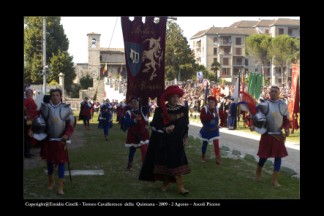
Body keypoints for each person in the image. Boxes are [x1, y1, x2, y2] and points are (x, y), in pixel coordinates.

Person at [139, 85, 190, 195]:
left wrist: (185, 137)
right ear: (168, 98)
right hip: (164, 140)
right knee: (165, 162)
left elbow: (185, 125)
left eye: (177, 96)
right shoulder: (160, 110)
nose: (175, 99)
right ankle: (165, 182)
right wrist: (165, 128)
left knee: (177, 162)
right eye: (172, 97)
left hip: (177, 141)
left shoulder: (183, 110)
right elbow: (154, 125)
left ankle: (180, 186)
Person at [250, 86, 290, 187]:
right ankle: (258, 171)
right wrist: (252, 125)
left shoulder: (283, 104)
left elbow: (286, 120)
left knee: (278, 157)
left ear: (279, 93)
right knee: (263, 156)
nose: (272, 93)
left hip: (278, 136)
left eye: (275, 91)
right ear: (269, 92)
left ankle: (274, 180)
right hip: (267, 134)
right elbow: (255, 117)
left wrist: (286, 128)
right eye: (271, 91)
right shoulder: (263, 104)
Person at [37, 89, 75, 195]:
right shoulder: (45, 108)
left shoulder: (66, 108)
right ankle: (51, 181)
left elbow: (71, 124)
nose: (55, 97)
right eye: (53, 95)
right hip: (48, 140)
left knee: (61, 162)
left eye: (57, 95)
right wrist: (34, 130)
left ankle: (60, 186)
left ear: (60, 96)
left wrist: (67, 134)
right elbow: (38, 121)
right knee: (49, 161)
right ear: (50, 97)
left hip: (60, 141)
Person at [124, 97, 149, 170]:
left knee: (144, 149)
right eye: (132, 102)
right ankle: (130, 164)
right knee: (132, 150)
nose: (134, 103)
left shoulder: (143, 111)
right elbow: (127, 123)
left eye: (136, 102)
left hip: (142, 133)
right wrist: (135, 120)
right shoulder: (128, 113)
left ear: (139, 103)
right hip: (133, 134)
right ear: (130, 104)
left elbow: (146, 107)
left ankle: (145, 166)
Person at [198, 96, 221, 164]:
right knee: (205, 143)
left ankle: (217, 159)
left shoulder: (217, 109)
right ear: (208, 102)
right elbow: (203, 119)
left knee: (216, 143)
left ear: (215, 103)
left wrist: (222, 123)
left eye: (212, 102)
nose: (211, 104)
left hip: (215, 130)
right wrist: (212, 116)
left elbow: (223, 116)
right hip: (206, 129)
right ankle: (203, 156)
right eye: (210, 102)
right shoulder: (204, 109)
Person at [24, 89, 39, 158]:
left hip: (31, 120)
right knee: (28, 136)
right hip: (28, 120)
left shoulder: (31, 100)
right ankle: (27, 153)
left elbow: (35, 109)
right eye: (28, 93)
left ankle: (28, 152)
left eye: (30, 93)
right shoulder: (26, 101)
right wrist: (26, 115)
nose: (29, 94)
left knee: (29, 136)